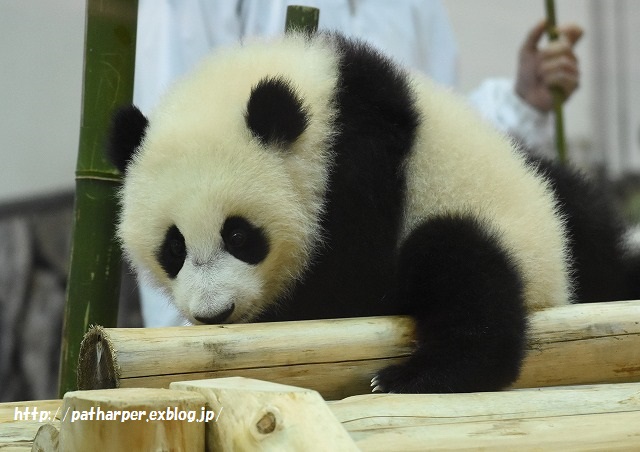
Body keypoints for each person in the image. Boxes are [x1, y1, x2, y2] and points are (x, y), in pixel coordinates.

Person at [132, 0, 583, 327]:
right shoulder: (184, 11)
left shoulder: (414, 10)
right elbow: (164, 168)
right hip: (273, 301)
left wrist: (520, 104)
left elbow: (441, 129)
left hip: (392, 292)